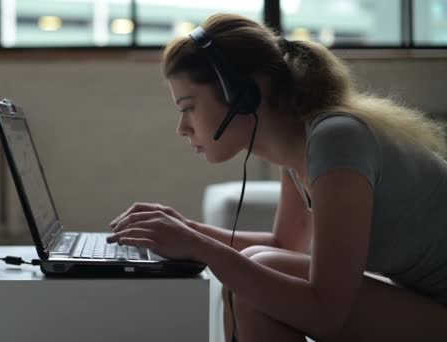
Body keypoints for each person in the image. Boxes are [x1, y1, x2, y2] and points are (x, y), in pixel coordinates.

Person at [106, 13, 447, 341]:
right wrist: (182, 229)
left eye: (188, 107)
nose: (182, 128)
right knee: (259, 268)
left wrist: (201, 248)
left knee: (258, 274)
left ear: (241, 95)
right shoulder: (302, 146)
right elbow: (285, 245)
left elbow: (327, 313)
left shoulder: (336, 140)